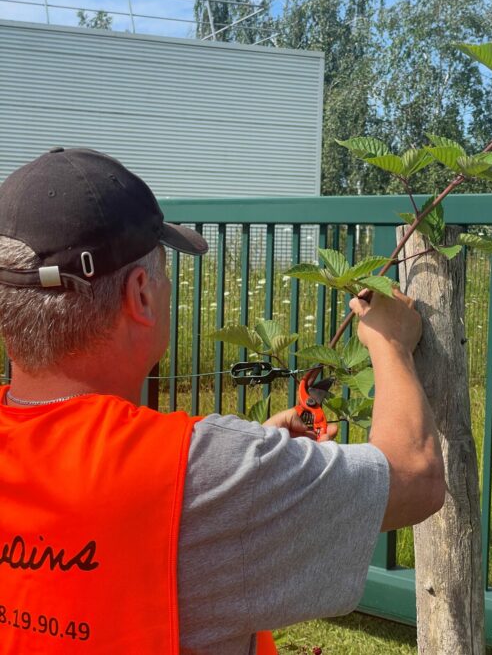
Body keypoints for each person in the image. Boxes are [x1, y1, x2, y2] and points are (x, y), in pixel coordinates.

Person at [0, 148, 445, 655]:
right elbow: (416, 478)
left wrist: (256, 462)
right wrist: (389, 343)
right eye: (165, 274)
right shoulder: (198, 472)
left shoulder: (198, 472)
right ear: (141, 294)